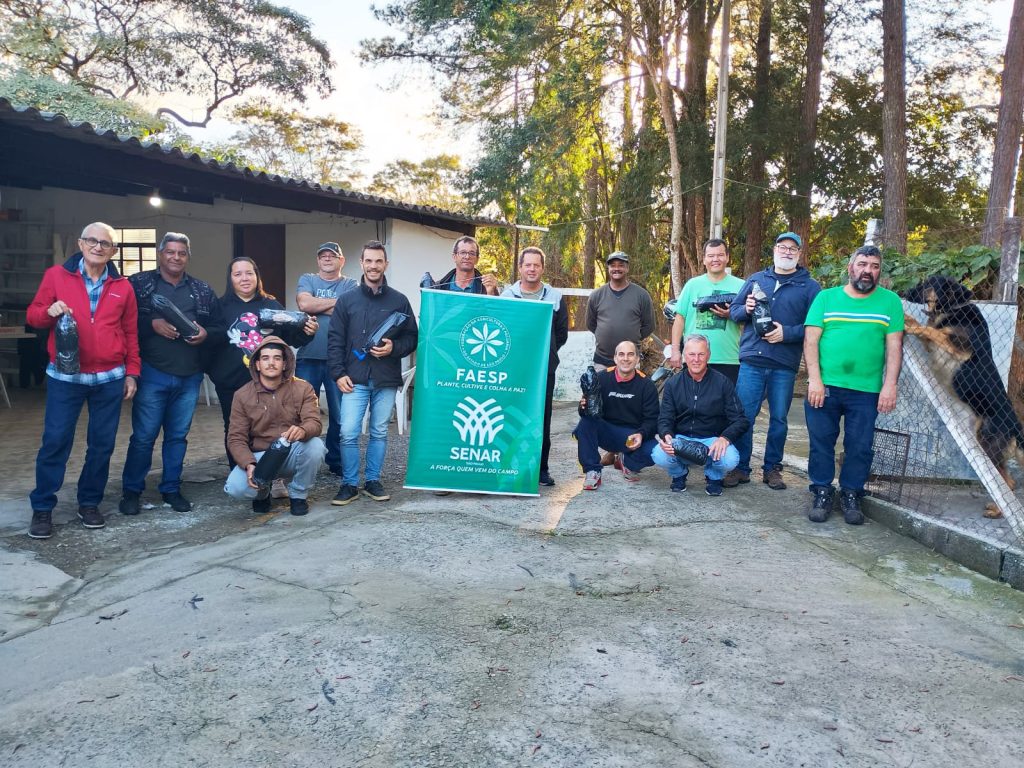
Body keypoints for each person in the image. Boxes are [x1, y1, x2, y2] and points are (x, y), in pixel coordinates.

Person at [25, 222, 141, 539]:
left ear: (113, 251)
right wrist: (49, 311)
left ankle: (89, 503)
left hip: (109, 378)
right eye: (92, 241)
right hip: (66, 377)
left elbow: (131, 333)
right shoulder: (56, 276)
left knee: (102, 445)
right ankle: (43, 507)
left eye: (105, 243)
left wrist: (132, 372)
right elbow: (33, 315)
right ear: (80, 244)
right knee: (56, 441)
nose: (98, 247)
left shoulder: (123, 287)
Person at [119, 232, 224, 516]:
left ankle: (171, 489)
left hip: (190, 376)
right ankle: (132, 491)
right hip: (152, 373)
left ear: (188, 257)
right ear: (160, 254)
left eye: (181, 253)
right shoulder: (139, 284)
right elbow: (122, 320)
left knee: (177, 437)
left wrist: (205, 334)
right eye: (170, 252)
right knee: (144, 437)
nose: (176, 257)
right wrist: (152, 323)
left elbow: (220, 327)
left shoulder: (202, 290)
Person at [804, 245, 903, 525]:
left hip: (867, 390)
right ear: (850, 268)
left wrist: (889, 385)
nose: (867, 271)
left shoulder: (890, 302)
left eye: (874, 266)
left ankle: (851, 494)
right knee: (821, 443)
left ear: (879, 271)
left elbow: (894, 347)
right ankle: (822, 491)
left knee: (860, 446)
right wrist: (815, 380)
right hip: (826, 387)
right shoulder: (826, 298)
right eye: (862, 264)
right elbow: (810, 341)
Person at [726, 232, 821, 491]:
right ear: (775, 250)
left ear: (799, 254)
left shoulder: (810, 287)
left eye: (792, 248)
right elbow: (734, 312)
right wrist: (746, 309)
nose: (787, 252)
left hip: (783, 364)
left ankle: (772, 469)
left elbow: (815, 326)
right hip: (752, 361)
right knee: (744, 416)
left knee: (778, 419)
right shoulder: (756, 279)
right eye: (782, 247)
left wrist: (786, 333)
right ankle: (740, 467)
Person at [206, 257, 317, 474]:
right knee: (235, 430)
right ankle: (241, 474)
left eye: (249, 273)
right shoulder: (219, 307)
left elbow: (292, 338)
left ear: (257, 276)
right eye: (238, 274)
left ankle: (272, 475)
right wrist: (215, 373)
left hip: (271, 383)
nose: (244, 278)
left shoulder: (271, 305)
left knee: (273, 427)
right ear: (230, 279)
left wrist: (308, 332)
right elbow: (209, 343)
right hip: (231, 383)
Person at [328, 240, 419, 505]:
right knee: (348, 432)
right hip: (353, 378)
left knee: (379, 432)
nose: (373, 266)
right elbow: (335, 340)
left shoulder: (399, 301)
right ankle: (349, 484)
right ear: (361, 263)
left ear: (385, 264)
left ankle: (372, 481)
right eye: (369, 260)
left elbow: (412, 338)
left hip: (385, 379)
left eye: (378, 261)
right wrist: (338, 373)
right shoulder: (347, 301)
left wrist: (393, 348)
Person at [224, 337, 325, 517]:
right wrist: (248, 464)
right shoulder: (242, 395)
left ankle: (298, 495)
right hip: (260, 457)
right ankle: (262, 492)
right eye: (265, 358)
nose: (271, 363)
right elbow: (235, 438)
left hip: (290, 450)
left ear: (285, 364)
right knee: (235, 488)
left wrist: (303, 430)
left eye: (277, 358)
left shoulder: (303, 388)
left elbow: (314, 422)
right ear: (257, 364)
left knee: (316, 446)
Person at [502, 246, 569, 486]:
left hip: (543, 371)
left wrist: (545, 353)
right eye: (527, 265)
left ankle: (541, 470)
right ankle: (508, 466)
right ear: (520, 268)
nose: (532, 269)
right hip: (513, 371)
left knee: (542, 418)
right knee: (511, 415)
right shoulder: (507, 296)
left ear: (542, 268)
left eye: (536, 265)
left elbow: (561, 334)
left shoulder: (555, 297)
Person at [652, 334, 749, 496]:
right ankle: (679, 474)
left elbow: (741, 420)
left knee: (731, 459)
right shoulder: (673, 383)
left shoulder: (723, 383)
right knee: (659, 454)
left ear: (708, 355)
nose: (696, 359)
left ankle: (713, 476)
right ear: (684, 355)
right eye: (691, 354)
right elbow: (665, 417)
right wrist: (666, 435)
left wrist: (724, 438)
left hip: (712, 441)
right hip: (681, 439)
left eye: (701, 354)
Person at [295, 242, 358, 476]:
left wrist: (317, 306)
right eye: (323, 256)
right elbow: (304, 303)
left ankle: (336, 461)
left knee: (340, 414)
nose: (328, 259)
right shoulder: (308, 279)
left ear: (342, 260)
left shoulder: (351, 284)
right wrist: (336, 303)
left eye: (333, 255)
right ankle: (299, 460)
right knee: (300, 412)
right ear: (318, 260)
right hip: (308, 357)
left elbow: (350, 310)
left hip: (339, 361)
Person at [575, 340, 659, 491]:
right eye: (621, 354)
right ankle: (592, 470)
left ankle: (627, 462)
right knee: (585, 422)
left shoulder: (647, 385)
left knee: (655, 451)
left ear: (637, 359)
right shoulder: (601, 378)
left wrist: (641, 434)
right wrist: (583, 407)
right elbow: (587, 411)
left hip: (632, 437)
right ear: (615, 358)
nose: (625, 358)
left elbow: (652, 421)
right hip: (606, 433)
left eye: (630, 354)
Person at [669, 238, 745, 383]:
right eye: (711, 256)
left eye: (720, 255)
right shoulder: (692, 285)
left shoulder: (741, 286)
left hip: (729, 359)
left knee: (726, 398)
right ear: (704, 259)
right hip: (694, 359)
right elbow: (680, 319)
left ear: (727, 257)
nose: (715, 259)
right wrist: (675, 350)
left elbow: (748, 320)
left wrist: (732, 314)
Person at [586, 251, 655, 367]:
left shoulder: (641, 295)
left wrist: (633, 337)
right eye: (613, 266)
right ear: (608, 268)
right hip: (602, 360)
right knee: (601, 380)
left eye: (621, 265)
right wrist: (606, 335)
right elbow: (590, 324)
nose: (616, 269)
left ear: (627, 268)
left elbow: (649, 326)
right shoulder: (596, 295)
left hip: (630, 361)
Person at [431, 236, 499, 294]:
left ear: (477, 259)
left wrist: (491, 293)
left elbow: (493, 306)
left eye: (472, 253)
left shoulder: (486, 287)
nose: (467, 257)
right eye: (463, 252)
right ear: (454, 257)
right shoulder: (439, 287)